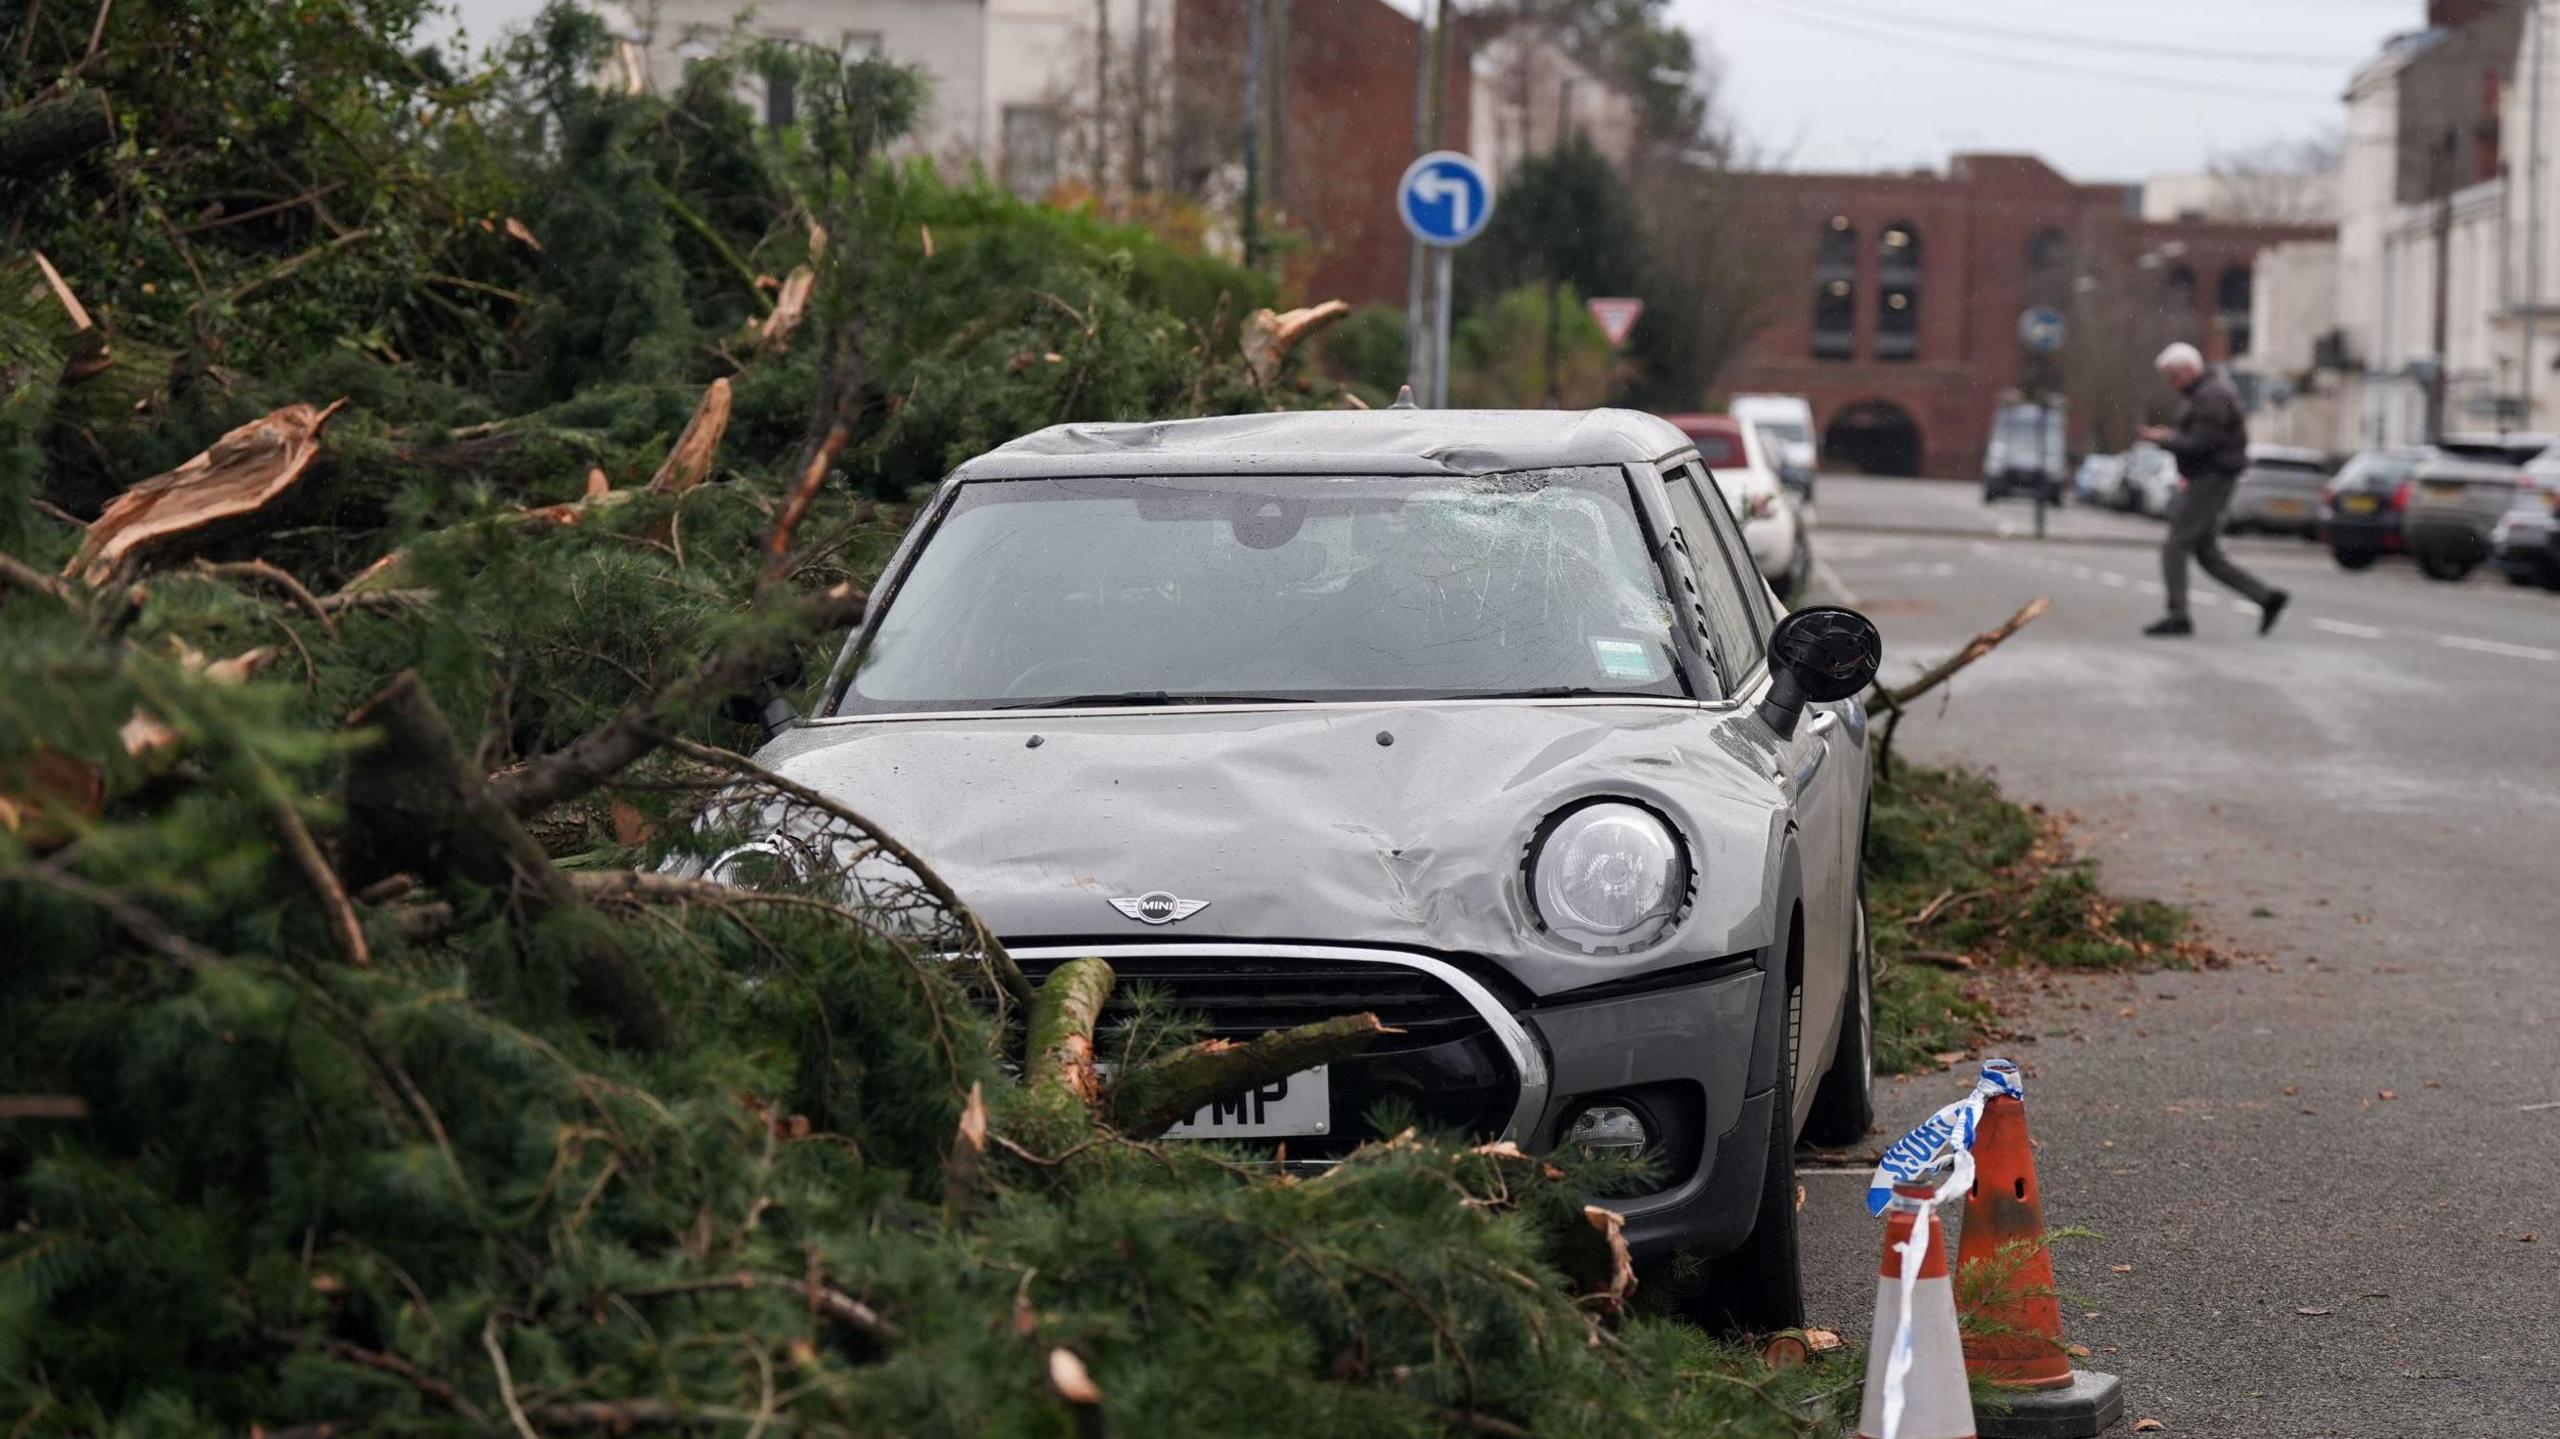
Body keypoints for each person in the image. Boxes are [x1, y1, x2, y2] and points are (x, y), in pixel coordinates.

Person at [2138, 342, 2288, 638]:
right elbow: (2200, 439)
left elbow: (2200, 444)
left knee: (2176, 546)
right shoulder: (2207, 393)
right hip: (2210, 476)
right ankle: (2266, 598)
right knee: (2207, 554)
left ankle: (2178, 616)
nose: (2172, 383)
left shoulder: (2210, 396)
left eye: (2173, 376)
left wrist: (2166, 439)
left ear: (2190, 369)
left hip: (2211, 478)